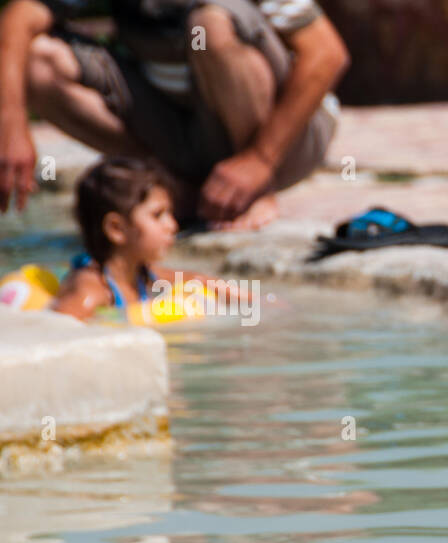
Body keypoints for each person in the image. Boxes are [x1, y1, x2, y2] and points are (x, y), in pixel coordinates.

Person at [0, 0, 348, 229]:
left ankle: (254, 192)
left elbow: (327, 54)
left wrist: (260, 159)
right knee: (37, 63)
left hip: (283, 141)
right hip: (178, 127)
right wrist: (12, 123)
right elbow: (19, 16)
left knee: (209, 25)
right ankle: (169, 185)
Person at [51, 154, 241, 321]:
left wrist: (254, 303)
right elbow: (60, 335)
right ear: (116, 229)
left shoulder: (140, 275)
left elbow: (196, 279)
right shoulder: (91, 292)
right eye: (157, 215)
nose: (172, 225)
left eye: (170, 213)